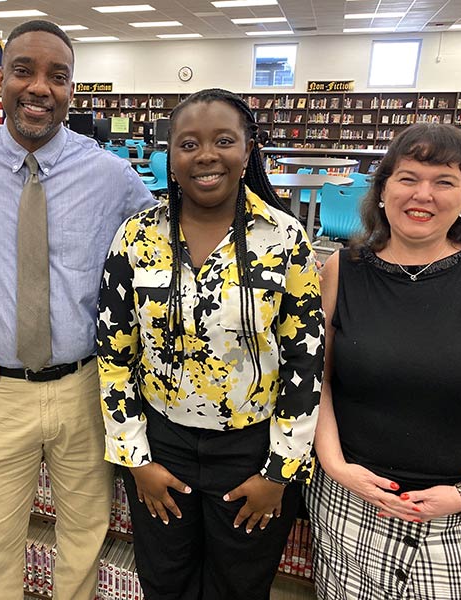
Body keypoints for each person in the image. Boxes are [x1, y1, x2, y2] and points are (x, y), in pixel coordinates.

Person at [0, 20, 155, 600]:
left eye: (57, 76)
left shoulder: (112, 176)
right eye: (24, 71)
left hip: (88, 387)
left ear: (72, 90)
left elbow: (165, 249)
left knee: (87, 530)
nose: (39, 87)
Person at [97, 88, 324, 599]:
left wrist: (279, 473)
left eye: (223, 140)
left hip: (252, 450)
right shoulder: (135, 237)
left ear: (248, 151)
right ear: (169, 157)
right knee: (164, 580)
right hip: (162, 445)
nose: (205, 155)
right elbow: (114, 354)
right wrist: (137, 460)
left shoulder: (284, 239)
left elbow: (305, 362)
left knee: (239, 585)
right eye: (187, 143)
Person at [305, 122, 461, 600]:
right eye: (408, 178)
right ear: (382, 190)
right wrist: (335, 465)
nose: (423, 194)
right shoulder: (344, 269)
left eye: (444, 181)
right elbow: (316, 379)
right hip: (354, 503)